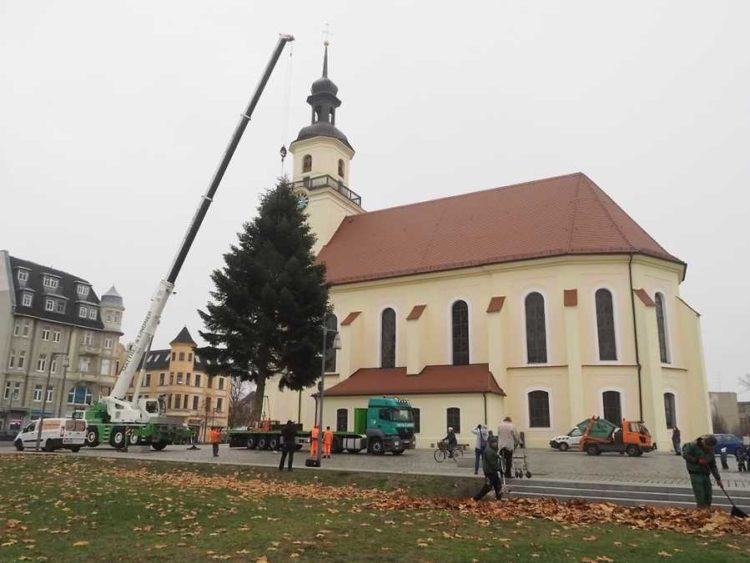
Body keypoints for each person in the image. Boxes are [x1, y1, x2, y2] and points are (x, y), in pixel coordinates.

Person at [682, 434, 722, 509]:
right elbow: (685, 455)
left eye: (712, 447)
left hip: (706, 474)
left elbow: (713, 466)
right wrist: (697, 460)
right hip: (695, 473)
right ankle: (701, 513)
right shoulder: (693, 446)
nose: (710, 448)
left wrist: (718, 479)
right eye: (709, 446)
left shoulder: (711, 451)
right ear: (705, 443)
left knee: (708, 495)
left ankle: (707, 512)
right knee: (700, 496)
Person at [473, 436, 503, 501]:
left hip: (493, 471)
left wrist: (497, 456)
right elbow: (492, 462)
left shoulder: (491, 449)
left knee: (498, 485)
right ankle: (476, 498)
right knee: (488, 487)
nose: (496, 444)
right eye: (494, 443)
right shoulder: (489, 451)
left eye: (496, 442)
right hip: (490, 471)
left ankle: (499, 499)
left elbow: (493, 456)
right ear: (491, 443)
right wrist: (499, 468)